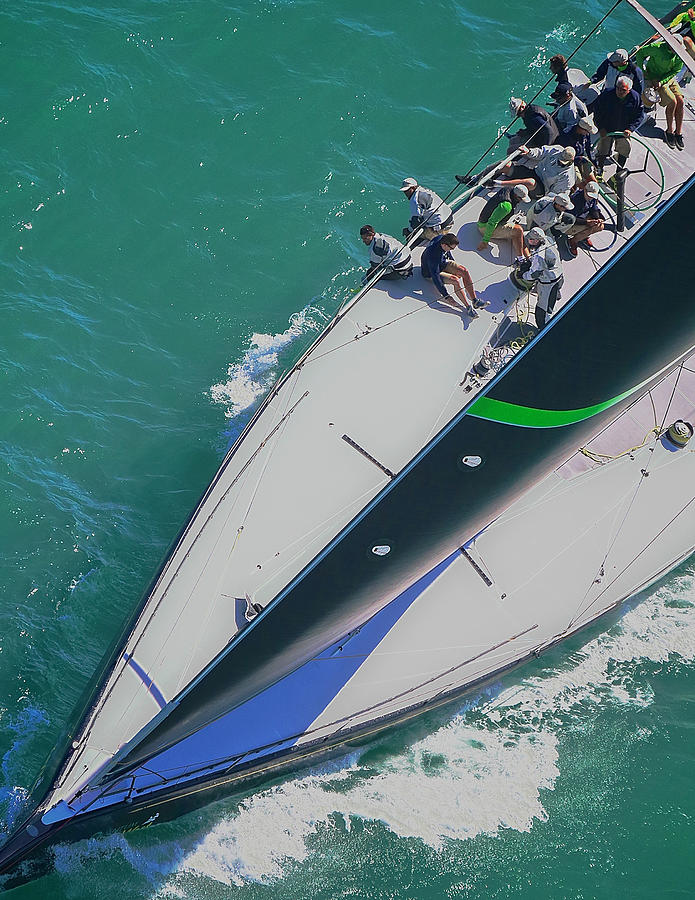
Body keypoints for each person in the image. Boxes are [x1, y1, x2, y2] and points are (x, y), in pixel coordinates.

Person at [634, 38, 686, 148]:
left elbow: (676, 70)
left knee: (680, 101)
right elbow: (640, 53)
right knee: (673, 102)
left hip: (667, 79)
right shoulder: (656, 48)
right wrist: (644, 72)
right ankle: (669, 131)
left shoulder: (679, 54)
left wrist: (662, 81)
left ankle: (678, 132)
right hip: (655, 78)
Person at [420, 233, 485, 318]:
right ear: (444, 245)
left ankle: (475, 301)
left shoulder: (441, 239)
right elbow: (435, 277)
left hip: (442, 263)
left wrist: (454, 265)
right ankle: (468, 307)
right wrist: (446, 296)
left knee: (464, 271)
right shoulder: (433, 255)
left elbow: (448, 252)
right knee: (455, 280)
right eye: (451, 248)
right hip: (431, 273)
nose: (452, 250)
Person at [590, 75, 643, 173]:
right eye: (618, 88)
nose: (619, 91)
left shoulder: (635, 98)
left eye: (623, 90)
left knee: (625, 149)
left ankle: (619, 171)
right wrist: (601, 127)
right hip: (606, 129)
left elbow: (639, 116)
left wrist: (630, 129)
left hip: (623, 131)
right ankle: (599, 169)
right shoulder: (606, 94)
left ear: (629, 90)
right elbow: (597, 111)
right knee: (602, 150)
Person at [516, 228, 564, 328]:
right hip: (559, 276)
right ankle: (555, 295)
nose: (528, 241)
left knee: (542, 310)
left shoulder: (539, 256)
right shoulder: (548, 239)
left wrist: (522, 275)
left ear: (536, 241)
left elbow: (534, 274)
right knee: (554, 294)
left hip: (548, 284)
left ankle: (543, 328)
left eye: (530, 239)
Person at [476, 184, 530, 255]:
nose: (521, 201)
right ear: (516, 196)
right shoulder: (506, 206)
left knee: (518, 234)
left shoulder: (508, 188)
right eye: (521, 199)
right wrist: (485, 241)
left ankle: (527, 256)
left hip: (483, 221)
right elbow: (492, 223)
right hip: (484, 228)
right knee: (518, 230)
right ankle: (521, 258)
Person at [566, 181, 605, 256]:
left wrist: (597, 219)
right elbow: (571, 219)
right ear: (584, 190)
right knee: (590, 227)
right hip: (570, 224)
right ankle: (572, 241)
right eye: (589, 195)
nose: (591, 197)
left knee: (600, 226)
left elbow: (594, 208)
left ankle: (582, 236)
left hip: (583, 219)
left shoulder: (592, 198)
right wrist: (587, 222)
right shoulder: (576, 200)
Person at [559, 115, 599, 186]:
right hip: (569, 163)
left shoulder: (586, 134)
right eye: (587, 132)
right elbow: (564, 157)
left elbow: (588, 148)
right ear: (581, 129)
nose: (588, 133)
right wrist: (579, 159)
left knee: (592, 180)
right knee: (581, 184)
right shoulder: (566, 137)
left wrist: (594, 162)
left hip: (581, 159)